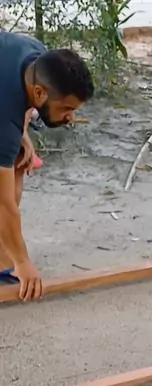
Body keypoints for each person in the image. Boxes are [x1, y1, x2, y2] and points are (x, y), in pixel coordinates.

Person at [0, 32, 94, 301]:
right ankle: (13, 259)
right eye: (66, 108)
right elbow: (2, 203)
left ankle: (2, 258)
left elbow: (18, 100)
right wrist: (23, 261)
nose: (71, 117)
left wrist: (22, 134)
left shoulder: (37, 56)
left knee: (17, 159)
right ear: (39, 92)